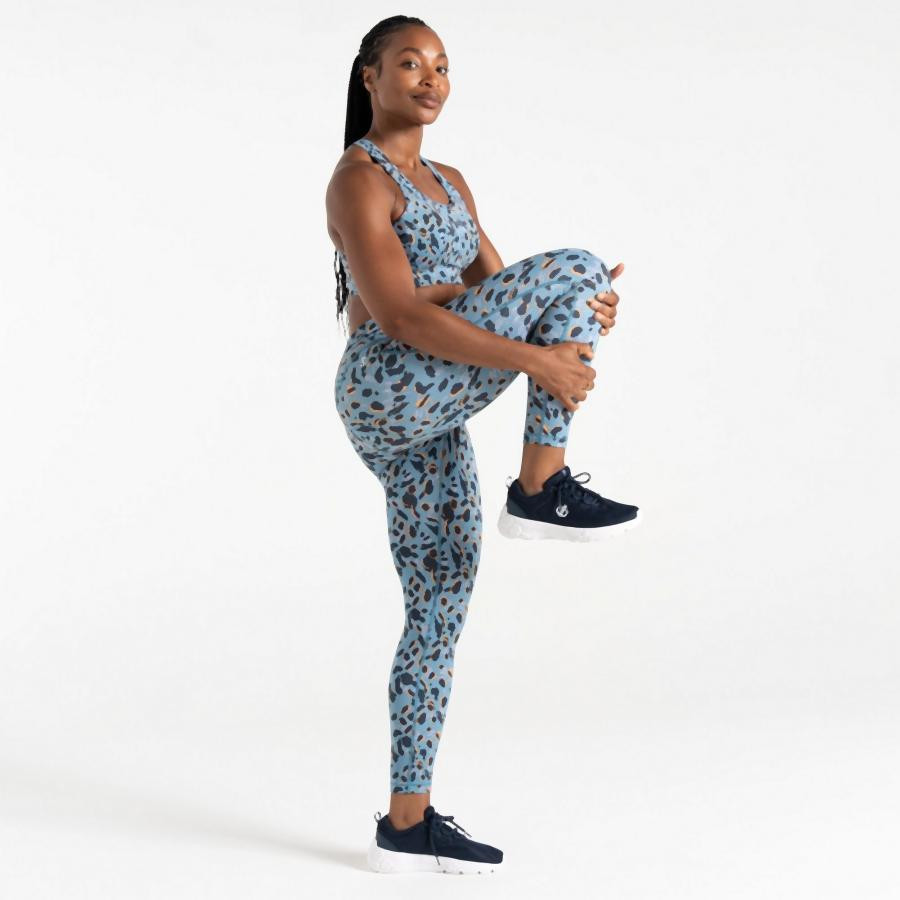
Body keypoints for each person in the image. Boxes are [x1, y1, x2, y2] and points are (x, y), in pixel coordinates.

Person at [326, 16, 640, 875]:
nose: (430, 78)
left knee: (439, 602)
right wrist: (542, 353)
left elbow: (498, 293)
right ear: (369, 76)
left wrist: (582, 316)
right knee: (572, 265)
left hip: (430, 405)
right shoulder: (358, 179)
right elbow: (400, 316)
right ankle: (540, 488)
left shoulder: (453, 183)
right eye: (409, 63)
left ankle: (407, 824)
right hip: (387, 382)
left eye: (442, 66)